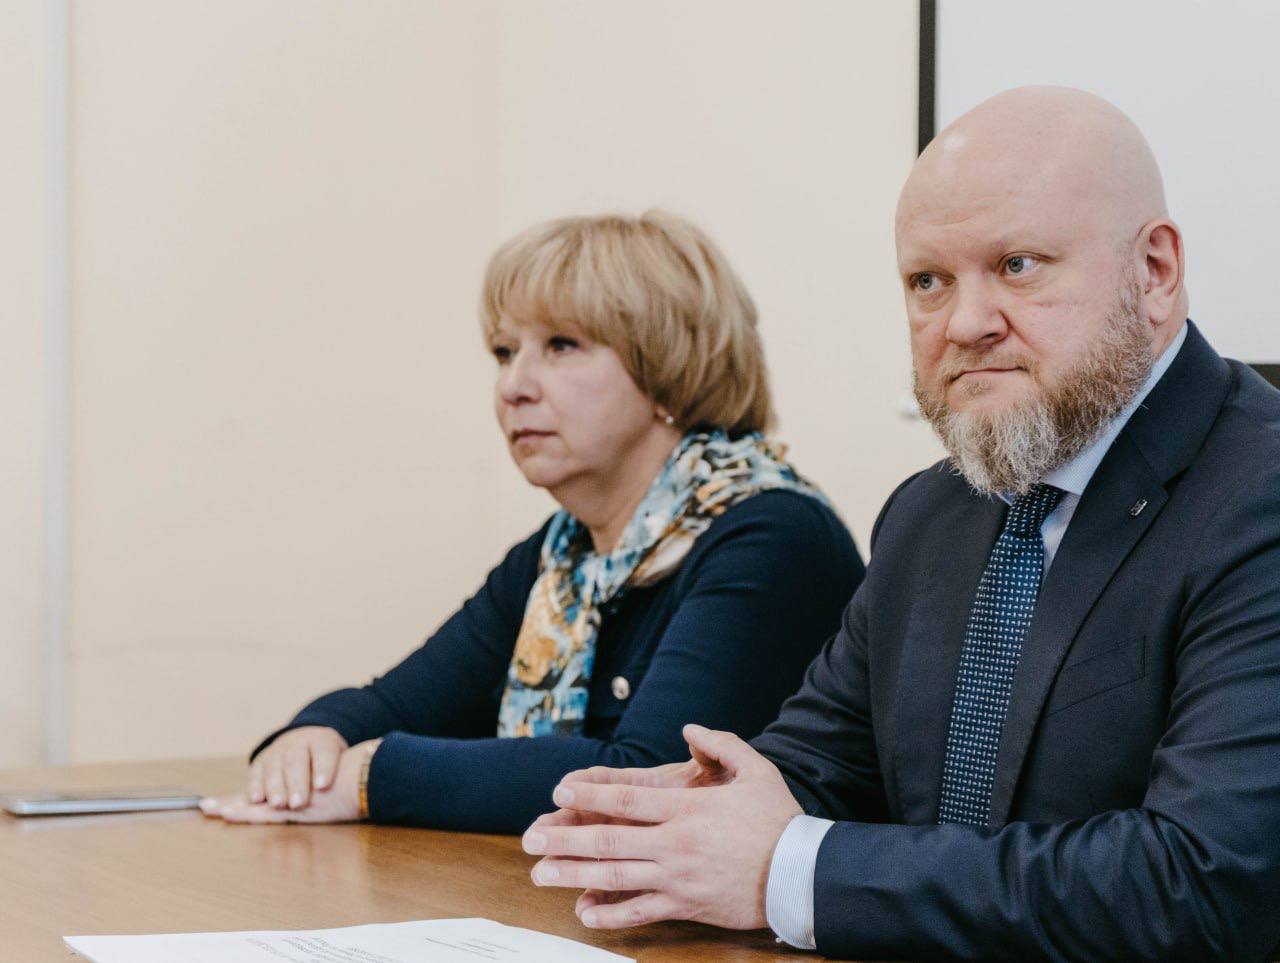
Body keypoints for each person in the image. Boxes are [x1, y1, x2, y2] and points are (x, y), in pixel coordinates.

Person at [523, 88, 1280, 961]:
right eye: (928, 282)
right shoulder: (931, 509)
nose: (965, 323)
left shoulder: (1258, 494)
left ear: (1154, 271)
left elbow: (1207, 881)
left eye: (1019, 265)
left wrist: (789, 868)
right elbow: (820, 771)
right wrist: (677, 820)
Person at [198, 211, 863, 834]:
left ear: (669, 372)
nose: (513, 385)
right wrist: (312, 737)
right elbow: (395, 705)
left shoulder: (772, 536)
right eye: (503, 351)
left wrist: (370, 774)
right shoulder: (563, 558)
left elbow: (645, 779)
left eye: (561, 345)